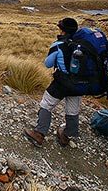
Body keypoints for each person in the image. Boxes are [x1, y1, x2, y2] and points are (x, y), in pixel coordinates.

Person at [24, 17, 81, 147]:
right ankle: (66, 136)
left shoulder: (58, 45)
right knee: (73, 110)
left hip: (62, 82)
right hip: (78, 84)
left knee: (46, 104)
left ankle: (39, 134)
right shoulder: (82, 45)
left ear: (62, 30)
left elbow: (47, 64)